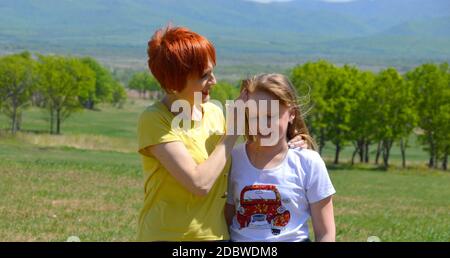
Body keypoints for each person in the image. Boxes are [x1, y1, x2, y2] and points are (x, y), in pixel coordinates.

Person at [137, 26, 307, 241]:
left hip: (218, 237)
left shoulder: (214, 113)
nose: (214, 81)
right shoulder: (155, 119)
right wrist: (233, 130)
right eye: (204, 75)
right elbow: (199, 183)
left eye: (212, 71)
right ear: (174, 81)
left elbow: (253, 151)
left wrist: (296, 144)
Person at [225, 73, 336, 242]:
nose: (262, 124)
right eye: (255, 116)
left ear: (292, 113)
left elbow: (325, 233)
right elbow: (227, 221)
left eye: (270, 116)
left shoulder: (308, 162)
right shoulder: (233, 159)